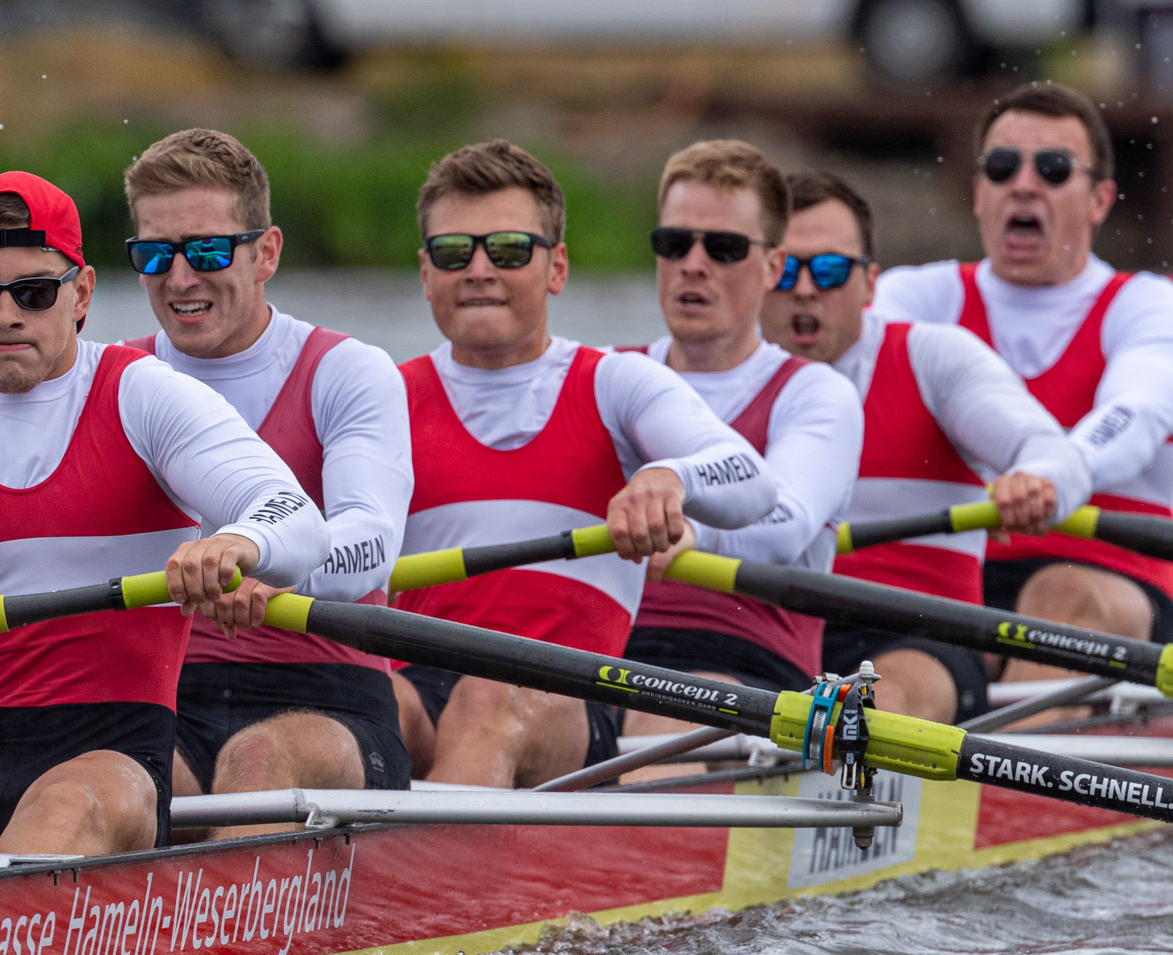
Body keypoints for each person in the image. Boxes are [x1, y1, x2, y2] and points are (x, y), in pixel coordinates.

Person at [0, 171, 328, 857]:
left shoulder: (146, 395)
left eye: (35, 293)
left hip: (113, 755)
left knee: (62, 814)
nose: (6, 315)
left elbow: (294, 517)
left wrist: (237, 544)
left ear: (82, 293)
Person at [393, 139, 777, 787]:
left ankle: (425, 879)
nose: (479, 270)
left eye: (509, 250)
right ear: (427, 272)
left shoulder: (616, 384)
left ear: (557, 268)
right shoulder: (381, 396)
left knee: (486, 699)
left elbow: (751, 481)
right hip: (417, 684)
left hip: (569, 691)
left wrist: (669, 478)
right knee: (349, 708)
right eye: (454, 252)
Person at [119, 128, 413, 821]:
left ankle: (220, 928)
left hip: (326, 698)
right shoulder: (112, 380)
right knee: (92, 783)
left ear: (267, 252)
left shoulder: (345, 372)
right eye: (155, 253)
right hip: (162, 697)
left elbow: (372, 544)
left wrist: (273, 566)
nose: (180, 278)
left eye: (210, 250)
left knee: (256, 765)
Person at [874, 82, 1173, 686]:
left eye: (1053, 169)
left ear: (1100, 199)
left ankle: (1007, 771)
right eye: (1002, 167)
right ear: (977, 194)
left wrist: (1051, 478)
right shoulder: (911, 297)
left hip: (1106, 580)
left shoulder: (1151, 307)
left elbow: (1136, 413)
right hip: (951, 584)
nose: (1023, 184)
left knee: (1058, 597)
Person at [760, 170, 1088, 722]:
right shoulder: (702, 381)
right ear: (755, 274)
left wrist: (1035, 480)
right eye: (786, 268)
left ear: (870, 284)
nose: (806, 288)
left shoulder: (931, 359)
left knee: (871, 709)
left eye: (832, 269)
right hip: (766, 639)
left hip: (913, 639)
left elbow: (1052, 450)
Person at [618, 140, 864, 735]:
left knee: (658, 722)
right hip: (598, 654)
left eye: (723, 248)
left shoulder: (815, 394)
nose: (693, 264)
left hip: (747, 665)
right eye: (675, 244)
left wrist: (692, 533)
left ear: (774, 266)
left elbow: (786, 520)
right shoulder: (607, 374)